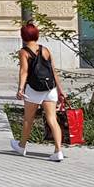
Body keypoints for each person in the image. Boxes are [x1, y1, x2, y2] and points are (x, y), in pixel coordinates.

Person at [12, 22, 65, 162]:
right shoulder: (45, 50)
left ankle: (22, 146)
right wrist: (60, 90)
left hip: (34, 89)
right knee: (52, 119)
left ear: (23, 36)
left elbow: (24, 71)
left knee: (28, 119)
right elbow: (53, 71)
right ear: (36, 35)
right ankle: (58, 151)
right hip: (50, 88)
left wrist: (20, 89)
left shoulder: (24, 52)